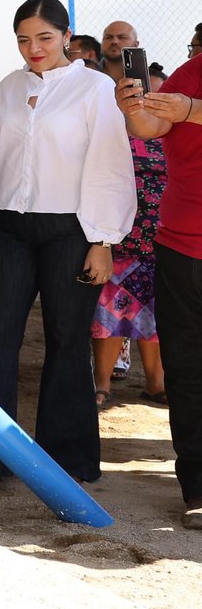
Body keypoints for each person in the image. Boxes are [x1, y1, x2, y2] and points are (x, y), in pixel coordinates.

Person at [0, 0, 135, 485]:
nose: (34, 48)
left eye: (45, 38)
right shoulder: (10, 87)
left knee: (67, 342)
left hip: (71, 231)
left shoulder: (95, 88)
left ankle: (66, 462)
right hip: (9, 227)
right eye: (23, 39)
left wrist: (103, 239)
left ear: (67, 36)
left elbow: (110, 165)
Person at [115, 42, 202, 530]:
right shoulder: (191, 72)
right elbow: (151, 126)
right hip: (180, 245)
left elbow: (183, 112)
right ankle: (199, 488)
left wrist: (191, 110)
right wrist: (134, 108)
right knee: (186, 371)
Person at [90, 128, 166, 409]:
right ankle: (102, 382)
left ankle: (156, 383)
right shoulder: (111, 133)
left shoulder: (171, 134)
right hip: (116, 242)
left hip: (160, 243)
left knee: (156, 314)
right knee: (109, 313)